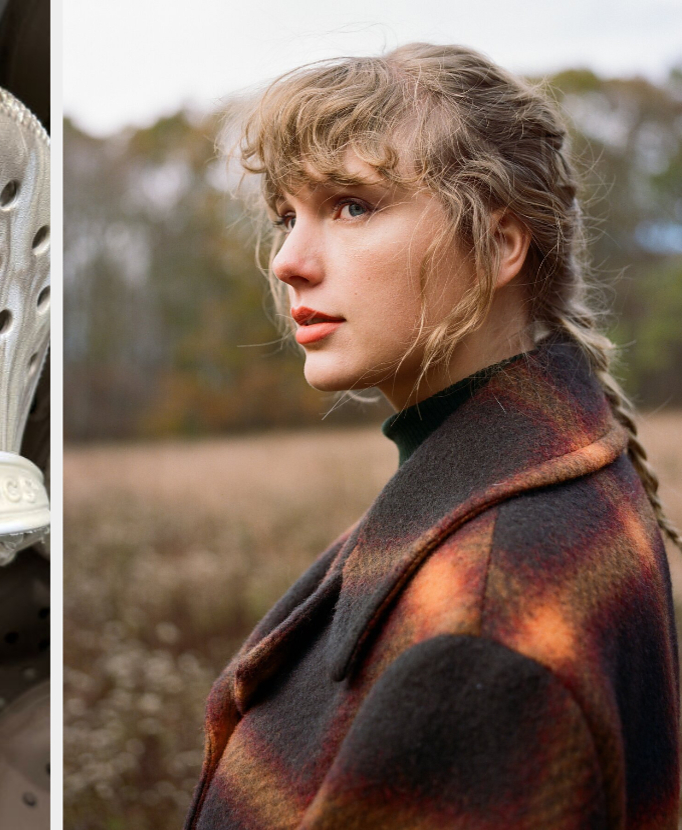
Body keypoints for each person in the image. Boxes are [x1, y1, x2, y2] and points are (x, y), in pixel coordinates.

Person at [186, 43, 680, 829]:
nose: (288, 262)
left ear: (500, 244)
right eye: (287, 215)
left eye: (352, 204)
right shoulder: (528, 484)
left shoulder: (486, 630)